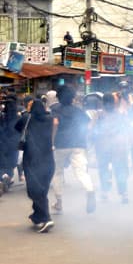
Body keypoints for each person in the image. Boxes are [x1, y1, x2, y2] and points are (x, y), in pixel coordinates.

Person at [49, 85, 96, 214]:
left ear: (58, 97)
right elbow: (88, 124)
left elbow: (54, 124)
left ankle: (59, 203)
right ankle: (90, 190)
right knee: (81, 171)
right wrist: (84, 138)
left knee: (57, 172)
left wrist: (51, 142)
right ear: (72, 98)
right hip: (78, 144)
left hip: (60, 144)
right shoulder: (79, 110)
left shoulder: (54, 109)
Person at [18, 96, 56, 232]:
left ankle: (46, 218)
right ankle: (38, 217)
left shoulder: (26, 118)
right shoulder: (51, 119)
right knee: (42, 190)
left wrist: (27, 112)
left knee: (35, 191)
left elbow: (17, 128)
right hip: (49, 160)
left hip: (32, 160)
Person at [94, 93, 130, 204]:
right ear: (114, 103)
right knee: (120, 170)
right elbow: (127, 128)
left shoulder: (99, 115)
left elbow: (91, 129)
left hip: (103, 147)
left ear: (102, 103)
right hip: (118, 147)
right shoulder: (121, 114)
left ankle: (105, 192)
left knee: (103, 169)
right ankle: (123, 194)